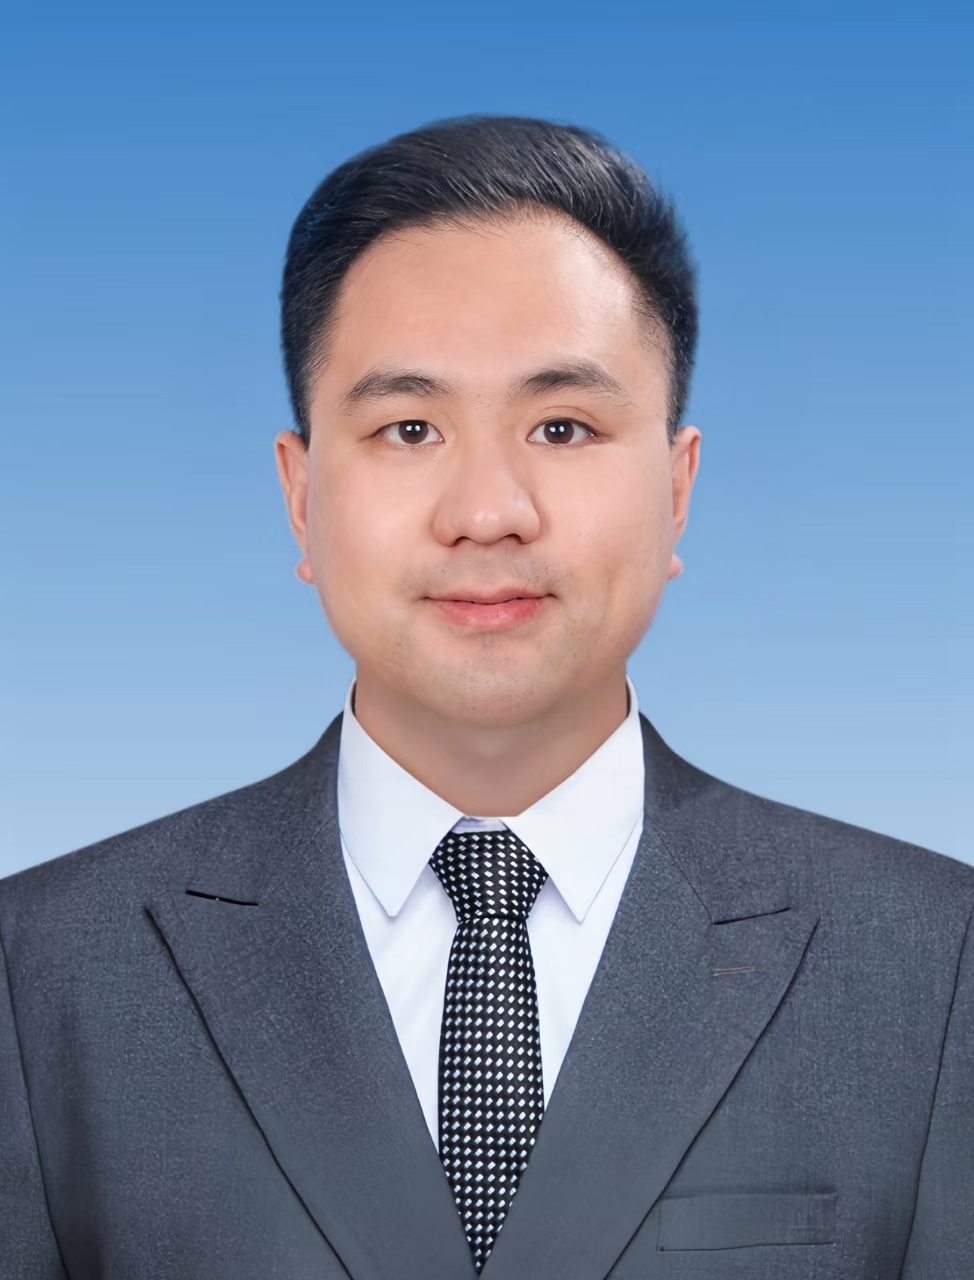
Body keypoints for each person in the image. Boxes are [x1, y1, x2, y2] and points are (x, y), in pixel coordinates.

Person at [0, 115, 970, 1280]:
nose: (487, 511)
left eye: (561, 426)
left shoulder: (932, 962)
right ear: (301, 496)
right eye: (408, 428)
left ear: (676, 487)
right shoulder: (43, 971)